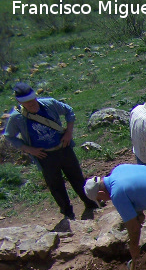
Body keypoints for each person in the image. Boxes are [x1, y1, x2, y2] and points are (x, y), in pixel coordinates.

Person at [3, 82, 98, 227]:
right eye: (27, 103)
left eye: (33, 100)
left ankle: (90, 204)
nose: (32, 105)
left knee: (77, 178)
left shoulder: (49, 104)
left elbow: (69, 111)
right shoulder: (16, 117)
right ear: (20, 103)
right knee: (55, 186)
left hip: (63, 148)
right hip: (44, 156)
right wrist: (29, 149)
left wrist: (68, 133)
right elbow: (9, 136)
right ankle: (67, 213)